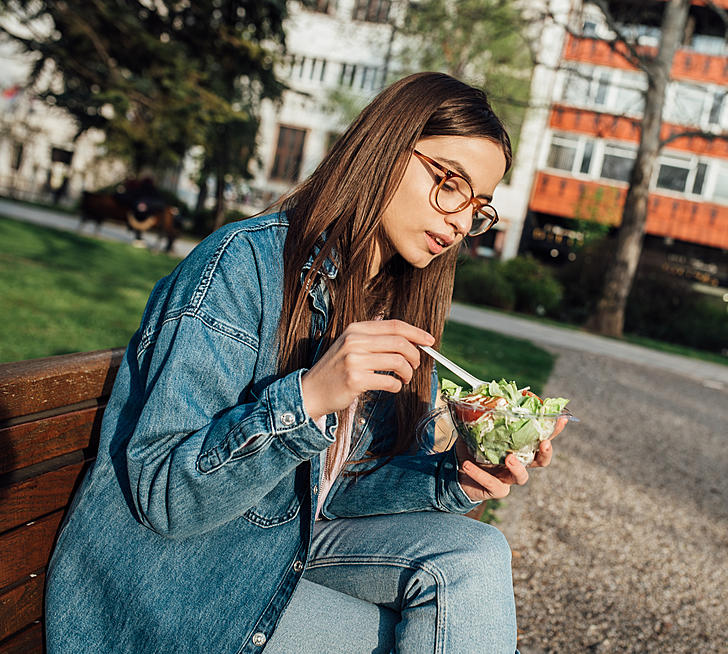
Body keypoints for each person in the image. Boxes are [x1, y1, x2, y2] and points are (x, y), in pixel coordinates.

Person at [44, 72, 566, 654]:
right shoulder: (245, 266)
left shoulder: (394, 301)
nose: (461, 221)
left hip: (284, 548)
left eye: (480, 206)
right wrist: (307, 399)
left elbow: (337, 493)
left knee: (477, 555)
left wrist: (458, 475)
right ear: (386, 151)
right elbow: (164, 494)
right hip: (176, 586)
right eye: (450, 184)